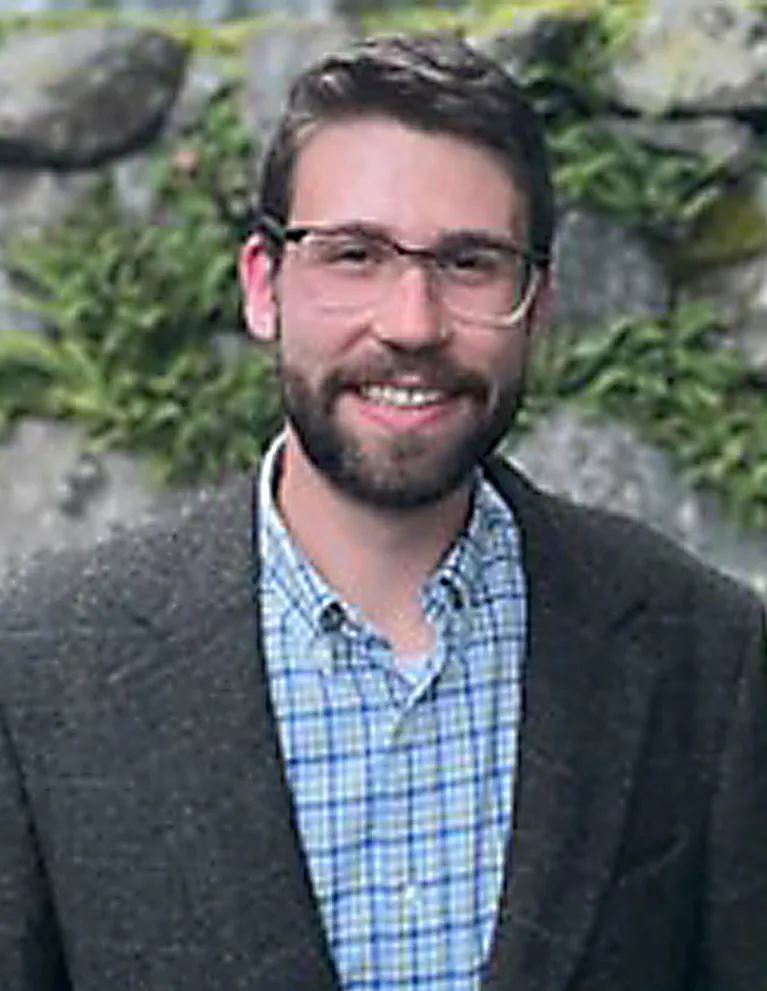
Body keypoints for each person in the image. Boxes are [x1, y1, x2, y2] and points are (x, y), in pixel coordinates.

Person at [0, 31, 765, 991]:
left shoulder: (707, 653)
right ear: (263, 286)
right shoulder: (42, 670)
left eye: (469, 262)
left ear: (536, 306)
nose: (411, 322)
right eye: (354, 254)